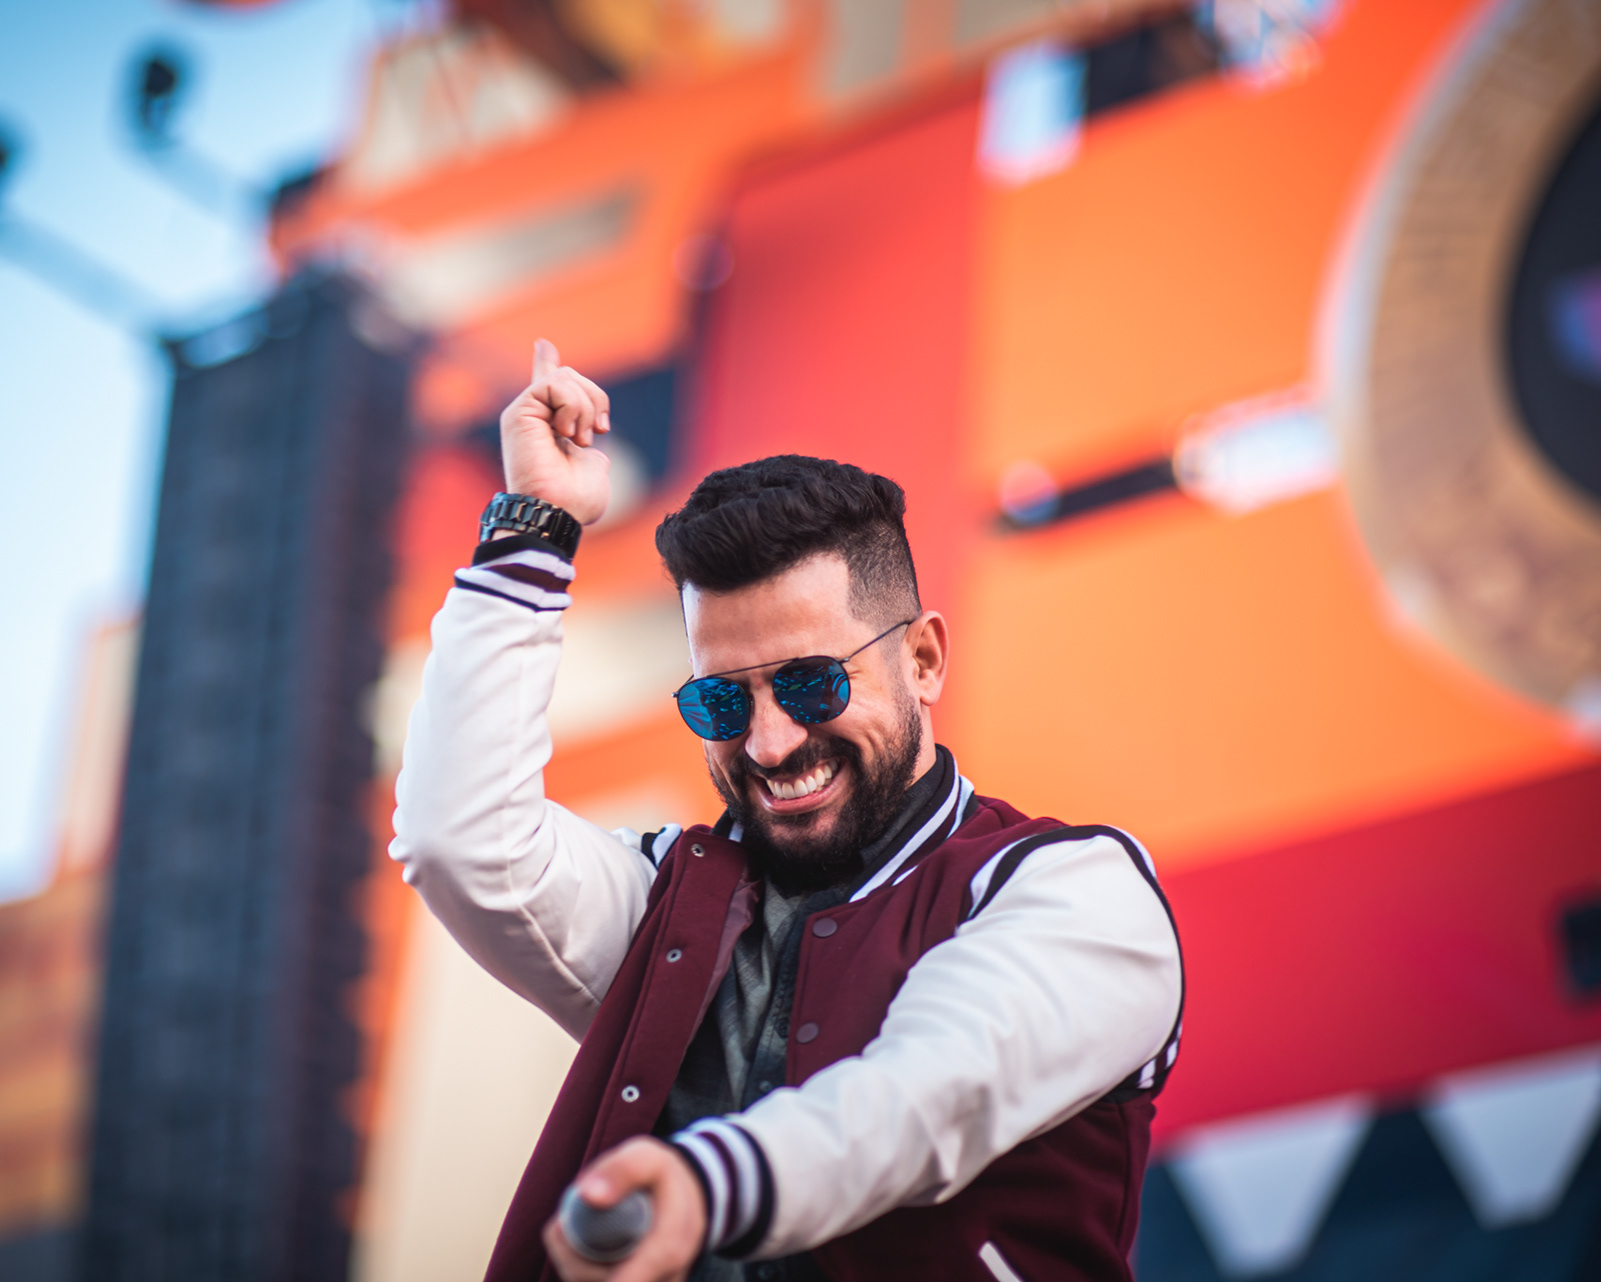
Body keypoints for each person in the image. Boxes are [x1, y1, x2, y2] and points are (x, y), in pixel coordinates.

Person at [390, 340, 1185, 1282]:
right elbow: (459, 840)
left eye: (812, 685)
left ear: (923, 660)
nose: (769, 744)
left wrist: (708, 1190)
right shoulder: (669, 906)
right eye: (721, 702)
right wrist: (535, 525)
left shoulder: (1077, 891)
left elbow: (925, 1098)